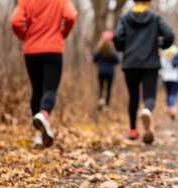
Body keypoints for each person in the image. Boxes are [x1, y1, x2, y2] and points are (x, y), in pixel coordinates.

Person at [10, 0, 77, 148]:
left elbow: (15, 21)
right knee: (50, 89)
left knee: (37, 90)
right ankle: (44, 114)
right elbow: (71, 16)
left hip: (31, 50)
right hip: (53, 48)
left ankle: (39, 137)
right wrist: (63, 32)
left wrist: (25, 36)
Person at [113, 0, 174, 143]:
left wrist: (125, 47)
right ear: (150, 1)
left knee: (133, 96)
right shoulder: (155, 17)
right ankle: (147, 110)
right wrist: (160, 45)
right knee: (149, 95)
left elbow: (117, 37)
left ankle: (133, 130)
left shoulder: (126, 18)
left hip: (130, 63)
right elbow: (169, 35)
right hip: (150, 63)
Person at [93, 31, 119, 111]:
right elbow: (117, 60)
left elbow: (94, 59)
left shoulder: (99, 49)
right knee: (108, 88)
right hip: (110, 72)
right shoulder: (112, 50)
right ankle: (107, 106)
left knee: (101, 87)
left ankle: (101, 99)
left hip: (101, 71)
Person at [159, 45, 178, 119]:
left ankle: (168, 107)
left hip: (166, 78)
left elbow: (160, 69)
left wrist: (162, 75)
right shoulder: (176, 58)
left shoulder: (163, 58)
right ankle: (172, 106)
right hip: (175, 78)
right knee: (173, 93)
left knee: (167, 92)